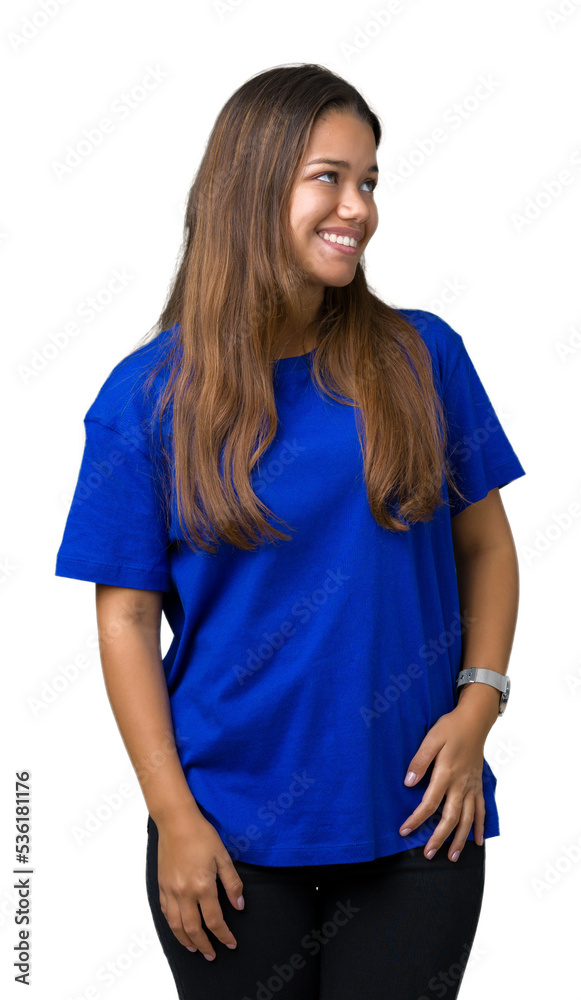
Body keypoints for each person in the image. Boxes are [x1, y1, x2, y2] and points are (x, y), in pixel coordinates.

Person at [55, 63, 526, 1000]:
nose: (358, 206)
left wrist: (477, 709)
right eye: (330, 176)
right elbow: (123, 624)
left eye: (370, 180)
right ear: (253, 185)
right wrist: (172, 817)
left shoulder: (421, 356)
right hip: (225, 834)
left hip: (417, 823)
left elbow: (486, 546)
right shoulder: (145, 398)